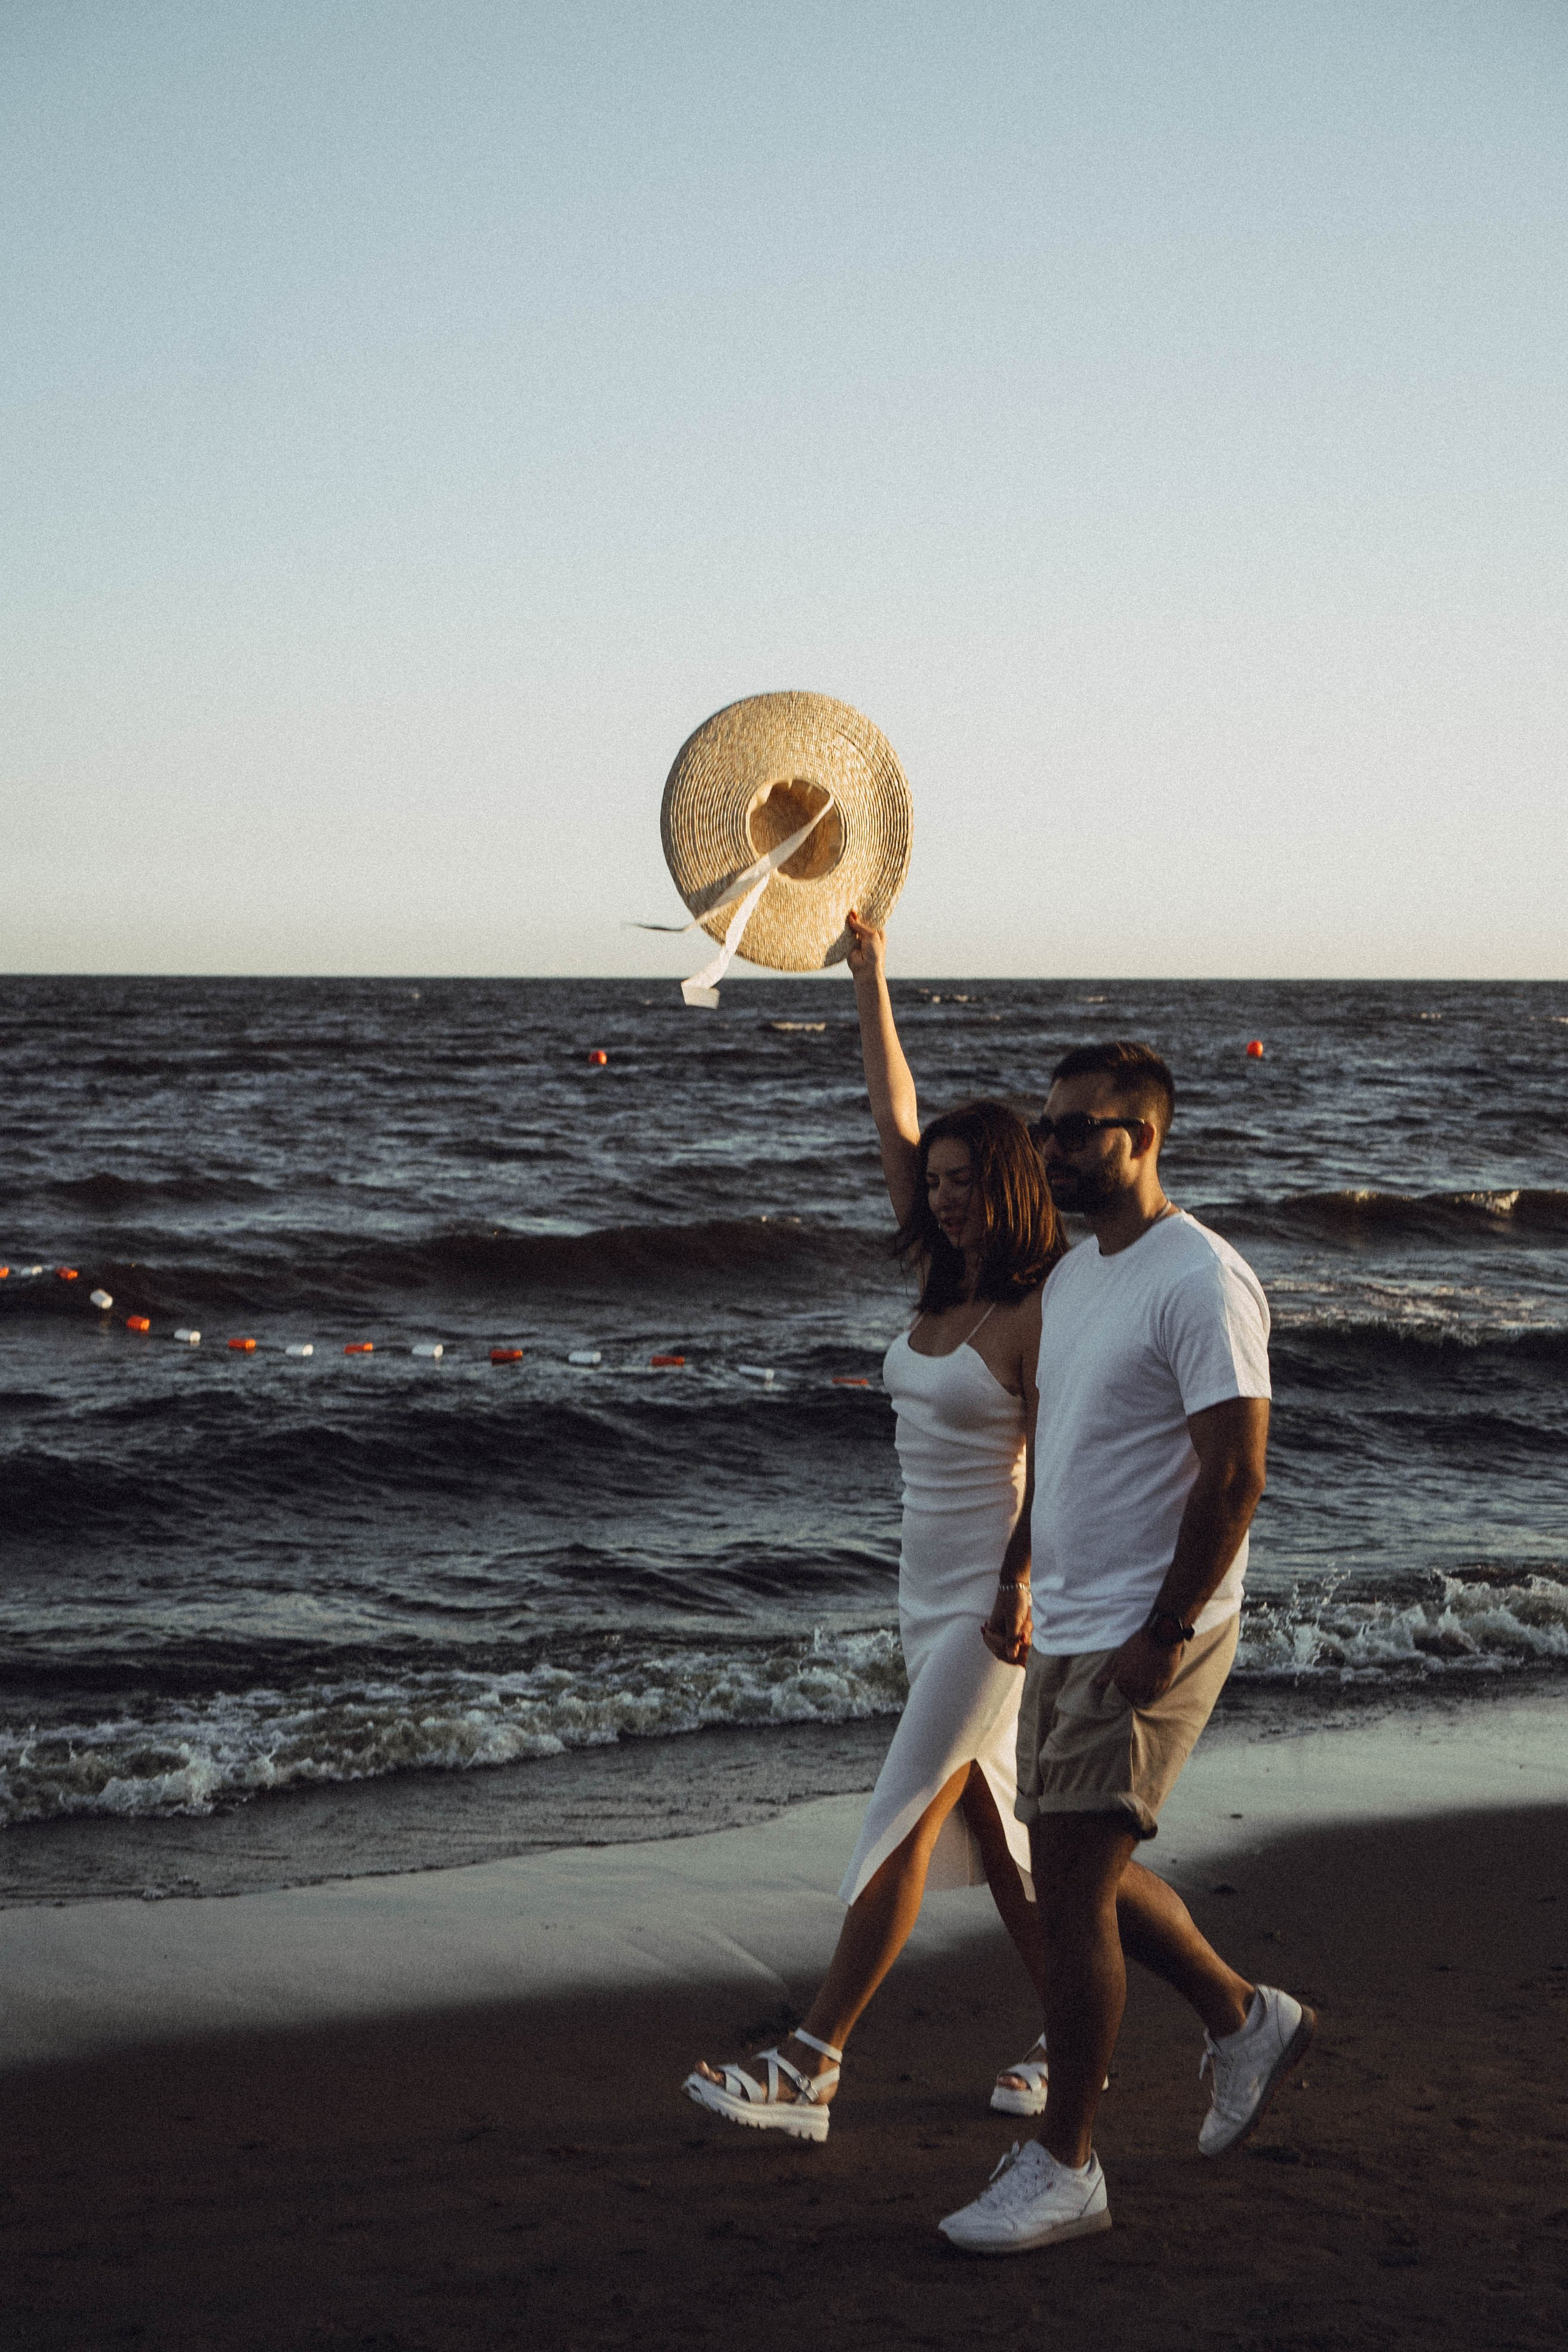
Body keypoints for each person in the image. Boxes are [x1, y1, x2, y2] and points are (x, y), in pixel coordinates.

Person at [682, 913, 1060, 2141]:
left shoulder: (1035, 1306)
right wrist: (871, 976)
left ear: (1004, 1185)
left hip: (996, 1604)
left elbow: (1061, 1464)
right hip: (922, 1590)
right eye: (934, 1185)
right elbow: (889, 1116)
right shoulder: (942, 1282)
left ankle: (811, 2061)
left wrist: (1012, 1585)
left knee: (900, 1807)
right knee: (1001, 1841)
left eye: (964, 1183)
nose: (943, 1200)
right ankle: (1098, 2026)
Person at [940, 1041, 1314, 2255]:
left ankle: (1067, 2166)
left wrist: (1162, 1632)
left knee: (1068, 1898)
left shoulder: (1197, 1279)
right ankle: (1241, 2016)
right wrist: (1018, 1569)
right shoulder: (1080, 1275)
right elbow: (1066, 1432)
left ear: (1144, 1137)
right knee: (1069, 1875)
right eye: (1044, 1128)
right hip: (1072, 1618)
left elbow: (1236, 1472)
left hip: (1152, 1630)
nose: (1049, 1150)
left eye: (1076, 1130)